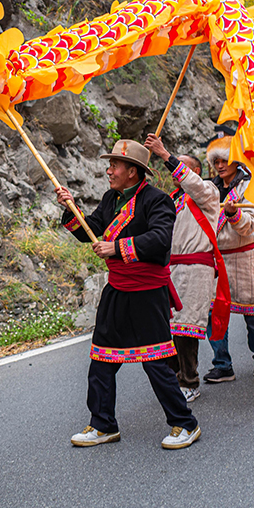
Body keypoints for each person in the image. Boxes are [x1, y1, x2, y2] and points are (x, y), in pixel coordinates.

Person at [56, 138, 200, 450]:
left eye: (114, 166)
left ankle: (185, 423)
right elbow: (90, 230)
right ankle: (103, 424)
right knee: (102, 359)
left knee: (155, 361)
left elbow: (160, 239)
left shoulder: (157, 200)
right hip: (117, 290)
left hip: (148, 292)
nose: (109, 171)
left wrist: (117, 248)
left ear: (132, 171)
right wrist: (70, 209)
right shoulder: (111, 199)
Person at [144, 133, 222, 404]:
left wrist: (164, 154)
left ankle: (189, 381)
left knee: (186, 326)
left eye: (181, 165)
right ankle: (174, 377)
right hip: (170, 268)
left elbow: (194, 185)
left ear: (196, 171)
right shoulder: (171, 199)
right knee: (168, 327)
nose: (174, 170)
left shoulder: (208, 192)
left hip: (195, 267)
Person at [202, 124, 254, 381]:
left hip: (245, 256)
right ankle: (222, 363)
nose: (220, 165)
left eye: (225, 160)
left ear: (236, 160)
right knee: (214, 313)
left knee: (252, 312)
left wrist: (233, 214)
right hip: (217, 258)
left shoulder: (250, 186)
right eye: (216, 161)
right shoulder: (209, 188)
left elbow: (250, 225)